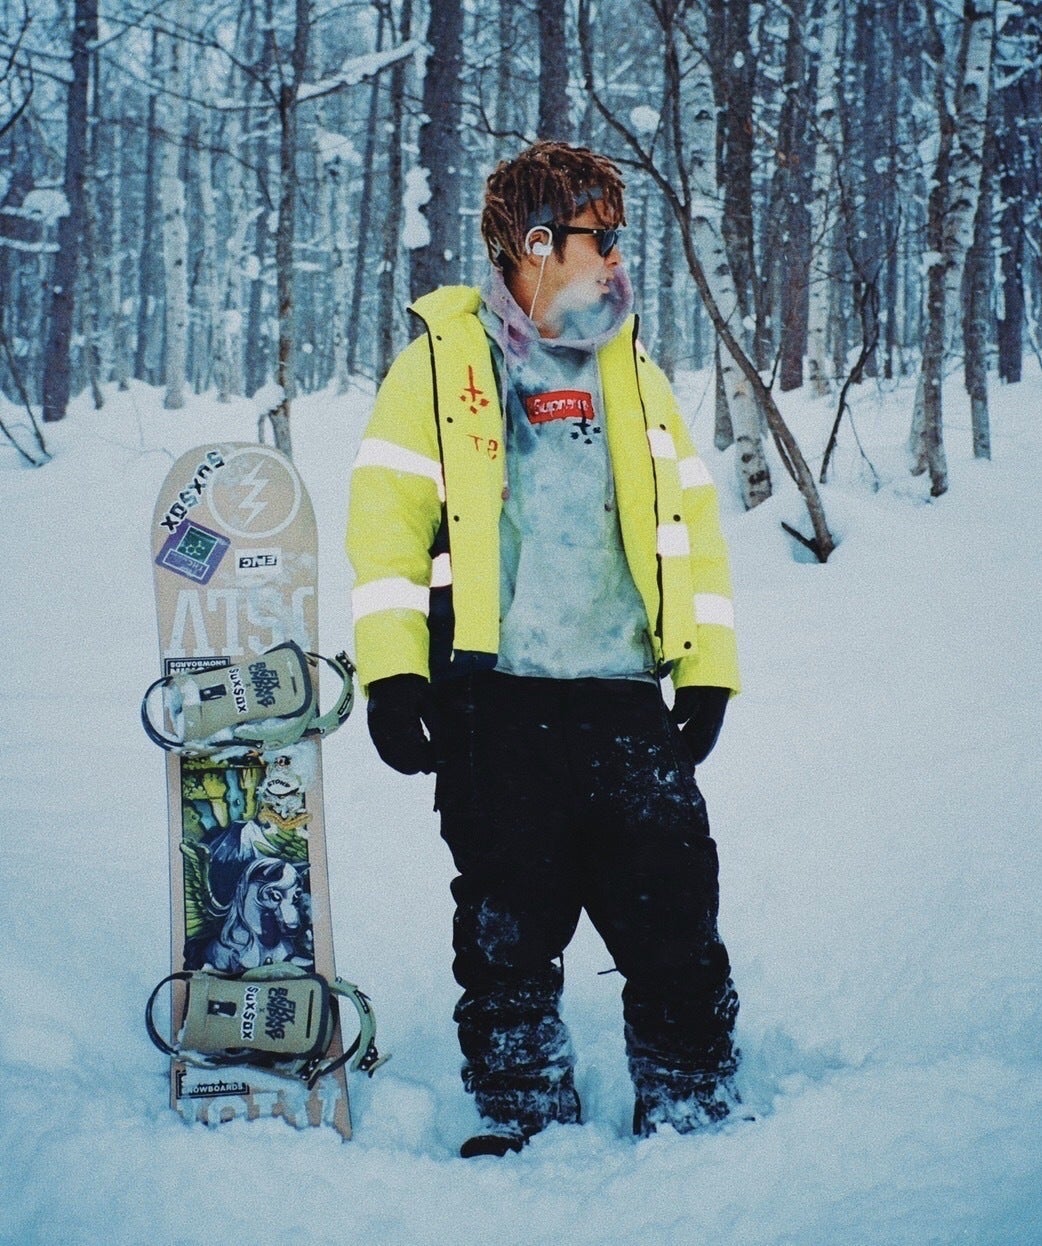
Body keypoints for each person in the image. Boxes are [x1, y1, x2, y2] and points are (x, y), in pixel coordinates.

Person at [346, 141, 742, 1158]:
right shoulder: (441, 367)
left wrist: (706, 669)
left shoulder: (635, 374)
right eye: (597, 238)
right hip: (496, 702)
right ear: (533, 245)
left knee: (673, 908)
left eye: (617, 238)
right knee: (506, 927)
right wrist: (393, 673)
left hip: (620, 695)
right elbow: (387, 529)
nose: (615, 258)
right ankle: (522, 1109)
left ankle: (691, 1100)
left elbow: (690, 528)